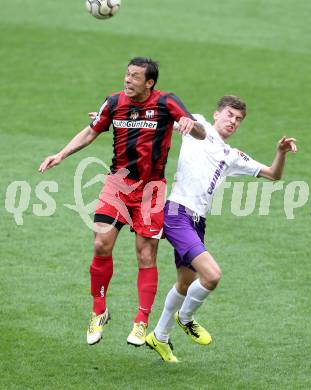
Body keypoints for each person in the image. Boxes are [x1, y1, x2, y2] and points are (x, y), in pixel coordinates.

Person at [38, 57, 206, 347]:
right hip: (117, 184)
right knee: (101, 243)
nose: (128, 80)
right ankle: (99, 312)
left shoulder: (166, 102)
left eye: (135, 77)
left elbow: (201, 134)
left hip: (151, 190)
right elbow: (92, 130)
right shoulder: (114, 103)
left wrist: (193, 125)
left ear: (149, 82)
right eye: (127, 75)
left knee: (145, 255)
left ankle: (141, 322)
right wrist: (61, 154)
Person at [145, 95, 298, 362]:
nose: (233, 121)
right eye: (229, 115)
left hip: (197, 221)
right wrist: (120, 118)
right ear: (216, 114)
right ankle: (186, 317)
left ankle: (159, 336)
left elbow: (274, 175)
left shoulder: (233, 155)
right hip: (176, 213)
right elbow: (165, 115)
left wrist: (280, 153)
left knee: (184, 283)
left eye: (238, 119)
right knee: (212, 276)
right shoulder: (200, 126)